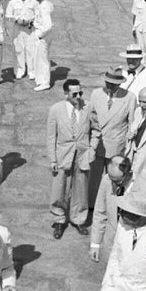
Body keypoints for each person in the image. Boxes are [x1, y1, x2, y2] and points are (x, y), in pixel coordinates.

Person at [46, 79, 92, 239]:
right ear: (66, 93)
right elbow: (51, 136)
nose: (79, 96)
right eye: (74, 94)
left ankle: (79, 219)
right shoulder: (55, 110)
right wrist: (52, 159)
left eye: (81, 93)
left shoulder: (88, 107)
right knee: (59, 189)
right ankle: (59, 220)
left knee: (81, 188)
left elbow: (95, 130)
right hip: (62, 156)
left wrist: (91, 149)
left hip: (82, 154)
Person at [89, 67, 137, 205]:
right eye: (107, 83)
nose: (109, 86)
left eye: (113, 84)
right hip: (97, 144)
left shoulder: (129, 98)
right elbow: (90, 117)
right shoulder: (96, 94)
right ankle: (92, 206)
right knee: (94, 179)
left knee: (113, 180)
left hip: (116, 147)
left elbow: (131, 125)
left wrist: (128, 148)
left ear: (119, 83)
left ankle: (111, 206)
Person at [90, 155, 133, 262]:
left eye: (118, 182)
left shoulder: (139, 186)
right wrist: (95, 243)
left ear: (129, 174)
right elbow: (100, 212)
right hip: (111, 242)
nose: (113, 185)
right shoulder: (107, 180)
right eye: (111, 180)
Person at [5, 0, 36, 80]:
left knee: (31, 50)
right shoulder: (13, 2)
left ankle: (32, 71)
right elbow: (8, 16)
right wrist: (16, 20)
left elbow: (38, 15)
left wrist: (30, 21)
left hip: (29, 29)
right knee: (18, 50)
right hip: (17, 29)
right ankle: (19, 70)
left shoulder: (33, 1)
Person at [125, 87, 146, 190]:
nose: (141, 105)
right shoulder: (138, 112)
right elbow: (132, 129)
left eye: (145, 102)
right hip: (133, 159)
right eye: (139, 101)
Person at [32, 0, 54, 92]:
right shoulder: (42, 4)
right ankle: (40, 79)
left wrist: (40, 34)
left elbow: (48, 25)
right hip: (42, 33)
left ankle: (45, 82)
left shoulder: (44, 6)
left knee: (43, 59)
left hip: (43, 35)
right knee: (39, 58)